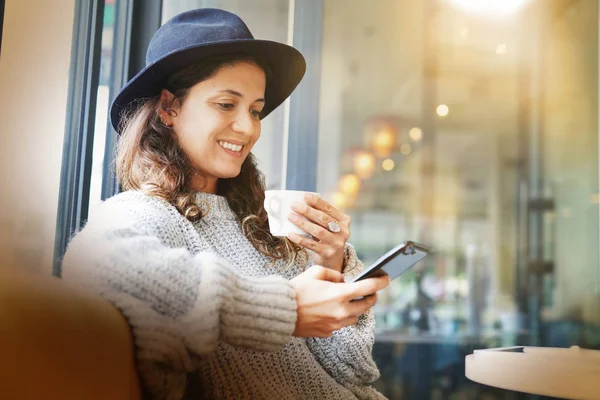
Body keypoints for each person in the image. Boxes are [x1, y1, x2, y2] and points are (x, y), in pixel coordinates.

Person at [62, 8, 390, 400]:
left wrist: (330, 263)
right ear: (169, 107)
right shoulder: (145, 212)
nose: (249, 127)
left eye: (255, 109)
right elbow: (91, 260)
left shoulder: (266, 225)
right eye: (225, 104)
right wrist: (284, 309)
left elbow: (353, 371)